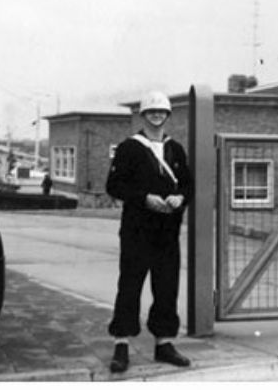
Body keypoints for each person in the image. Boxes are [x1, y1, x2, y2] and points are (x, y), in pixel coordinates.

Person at [106, 90, 194, 373]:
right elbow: (114, 185)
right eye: (151, 112)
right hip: (137, 230)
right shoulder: (129, 148)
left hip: (167, 232)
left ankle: (164, 343)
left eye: (161, 111)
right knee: (130, 286)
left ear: (168, 115)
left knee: (166, 287)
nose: (157, 116)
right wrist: (144, 198)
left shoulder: (175, 149)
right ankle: (121, 344)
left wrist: (180, 198)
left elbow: (188, 185)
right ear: (143, 115)